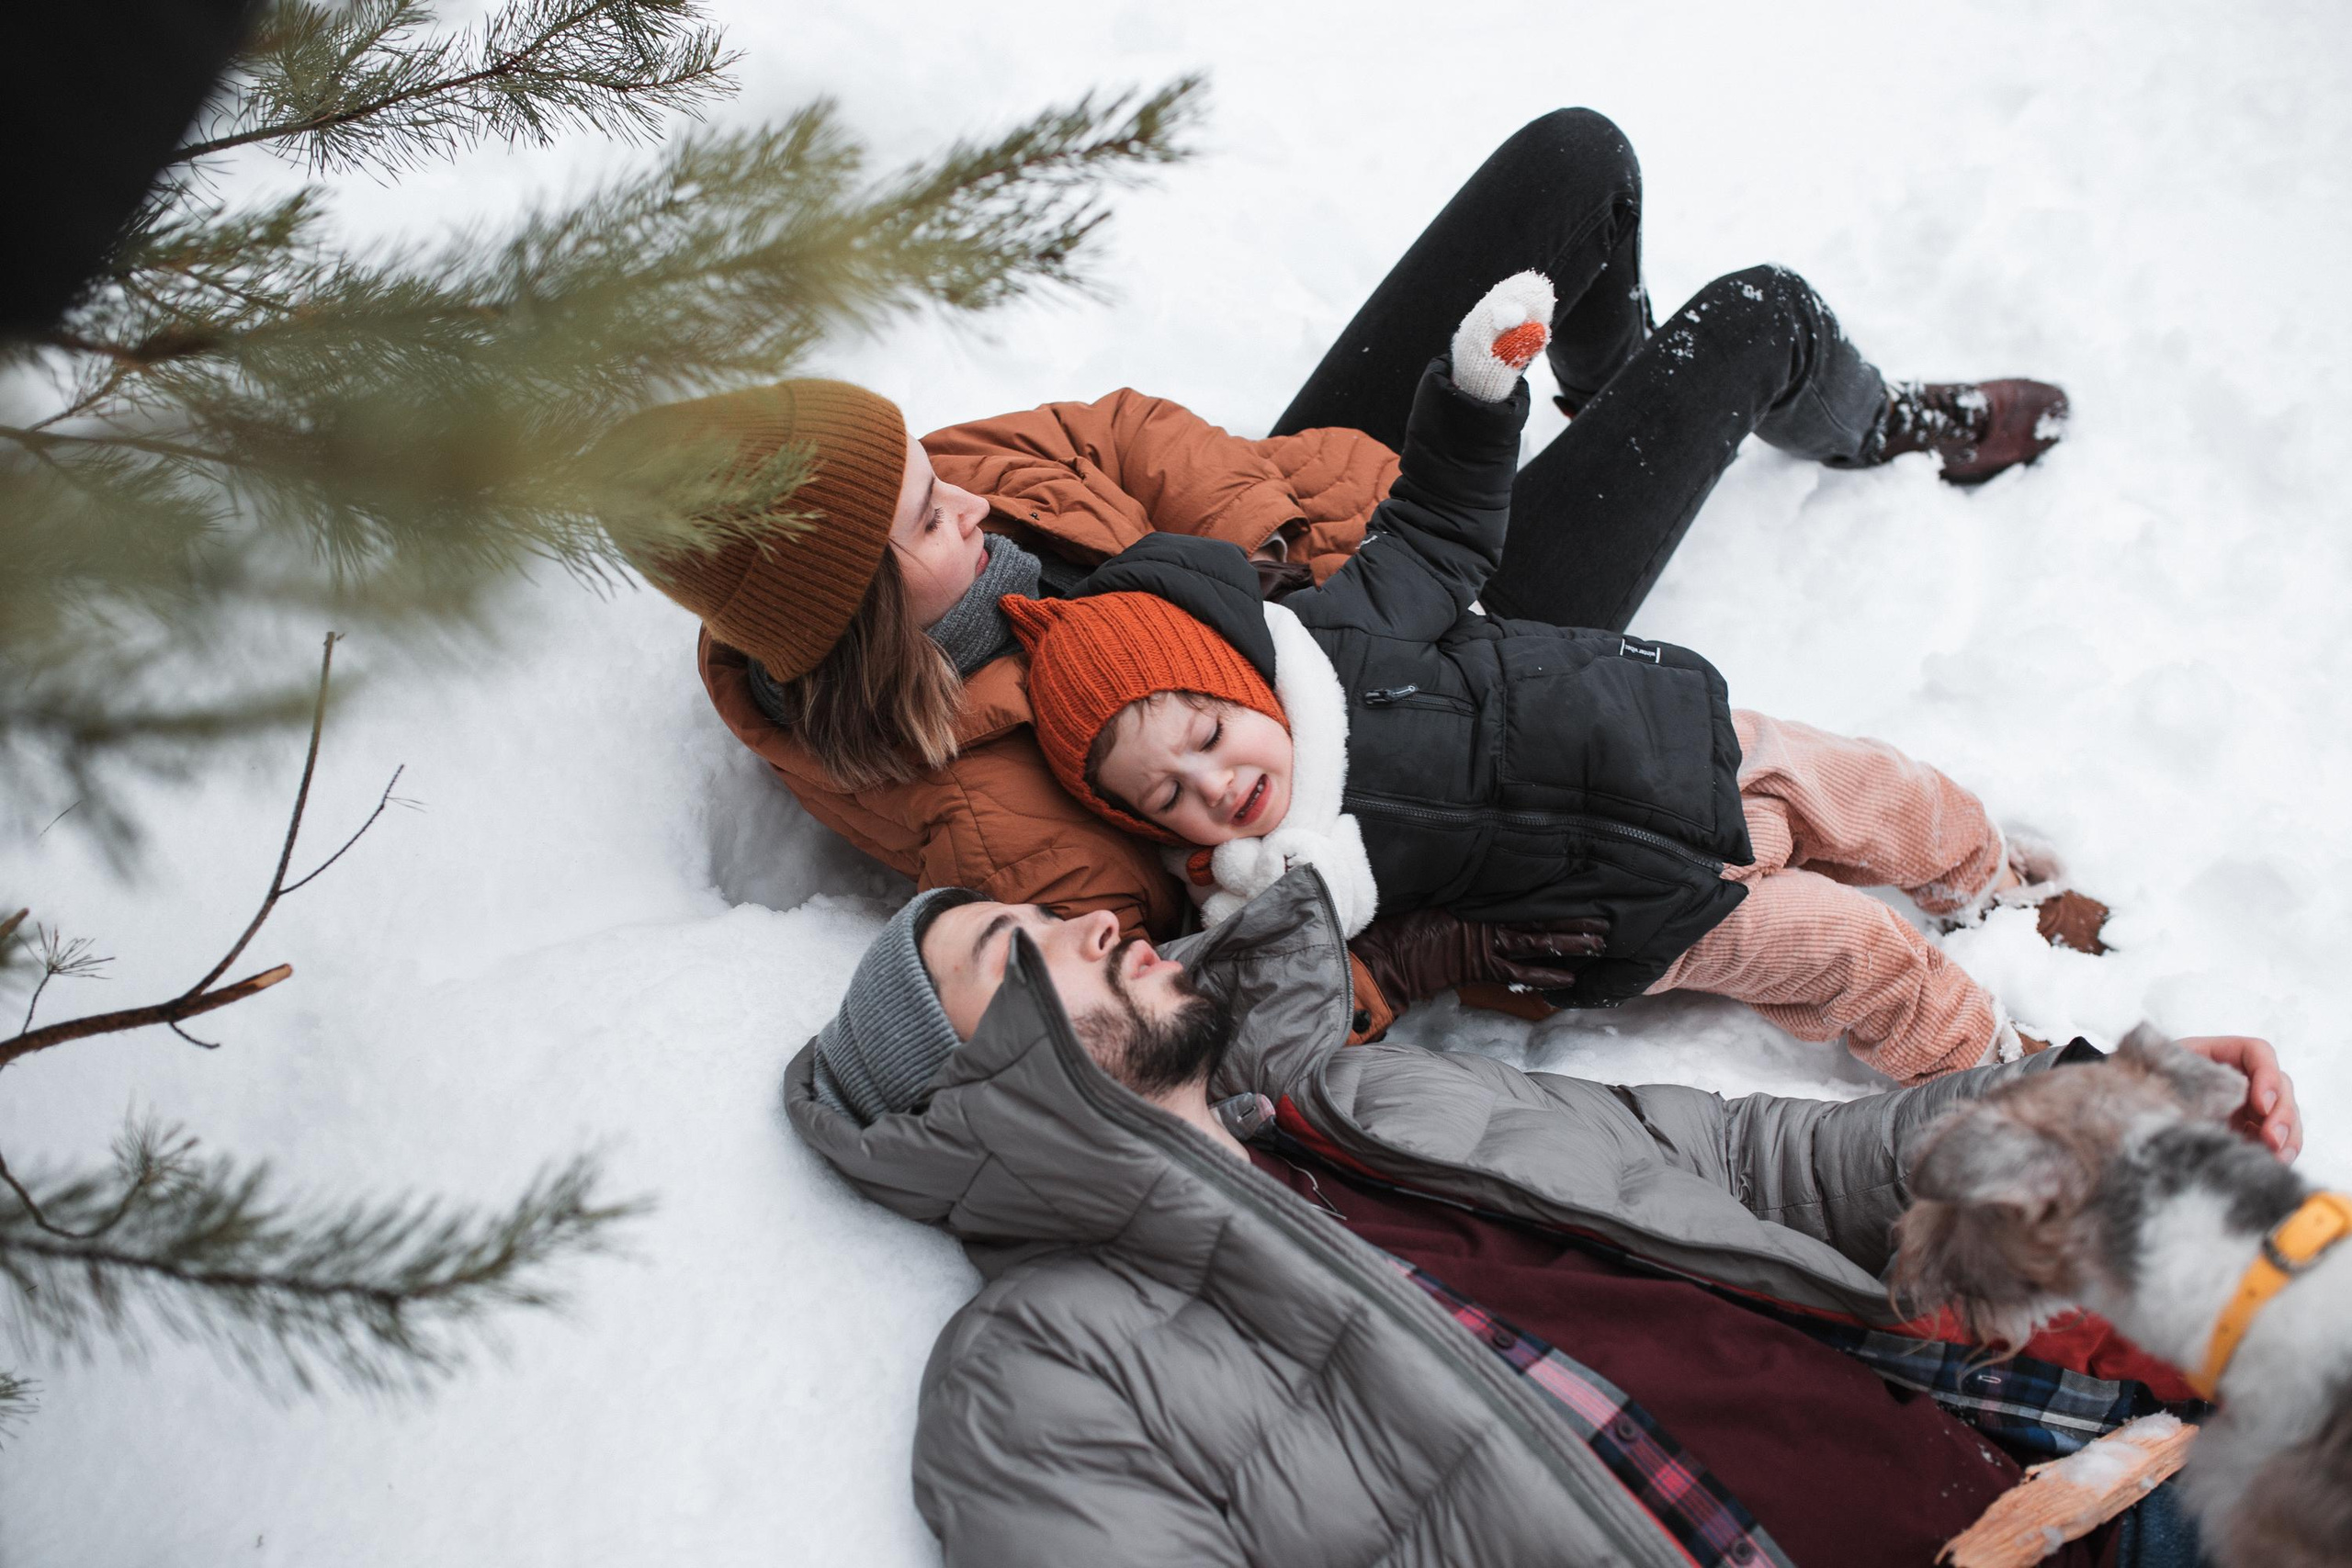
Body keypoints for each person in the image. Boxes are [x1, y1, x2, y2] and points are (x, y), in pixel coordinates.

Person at [616, 108, 2068, 1040]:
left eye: (939, 476)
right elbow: (1256, 937)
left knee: (1577, 165)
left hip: (1360, 555)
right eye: (937, 520)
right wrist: (1340, 648)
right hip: (1461, 671)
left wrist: (1272, 565)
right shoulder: (983, 813)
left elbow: (1119, 429)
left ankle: (1623, 397)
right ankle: (1854, 416)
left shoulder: (907, 488)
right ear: (868, 621)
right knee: (1758, 316)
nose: (977, 492)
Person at [785, 868, 2302, 1567]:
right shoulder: (1036, 1370)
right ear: (968, 1083)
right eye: (1022, 947)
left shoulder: (1363, 1106)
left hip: (2056, 1488)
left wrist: (2113, 1094)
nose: (1095, 920)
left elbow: (1778, 1170)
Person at [996, 274, 2086, 1083]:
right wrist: (1430, 954)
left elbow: (1435, 526)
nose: (1208, 786)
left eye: (1202, 735)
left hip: (1672, 741)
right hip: (1643, 922)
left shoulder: (1346, 631)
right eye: (1165, 798)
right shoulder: (1284, 891)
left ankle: (1994, 882)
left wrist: (1474, 398)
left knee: (1887, 795)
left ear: (1234, 672)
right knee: (1856, 956)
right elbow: (1299, 999)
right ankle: (1995, 1076)